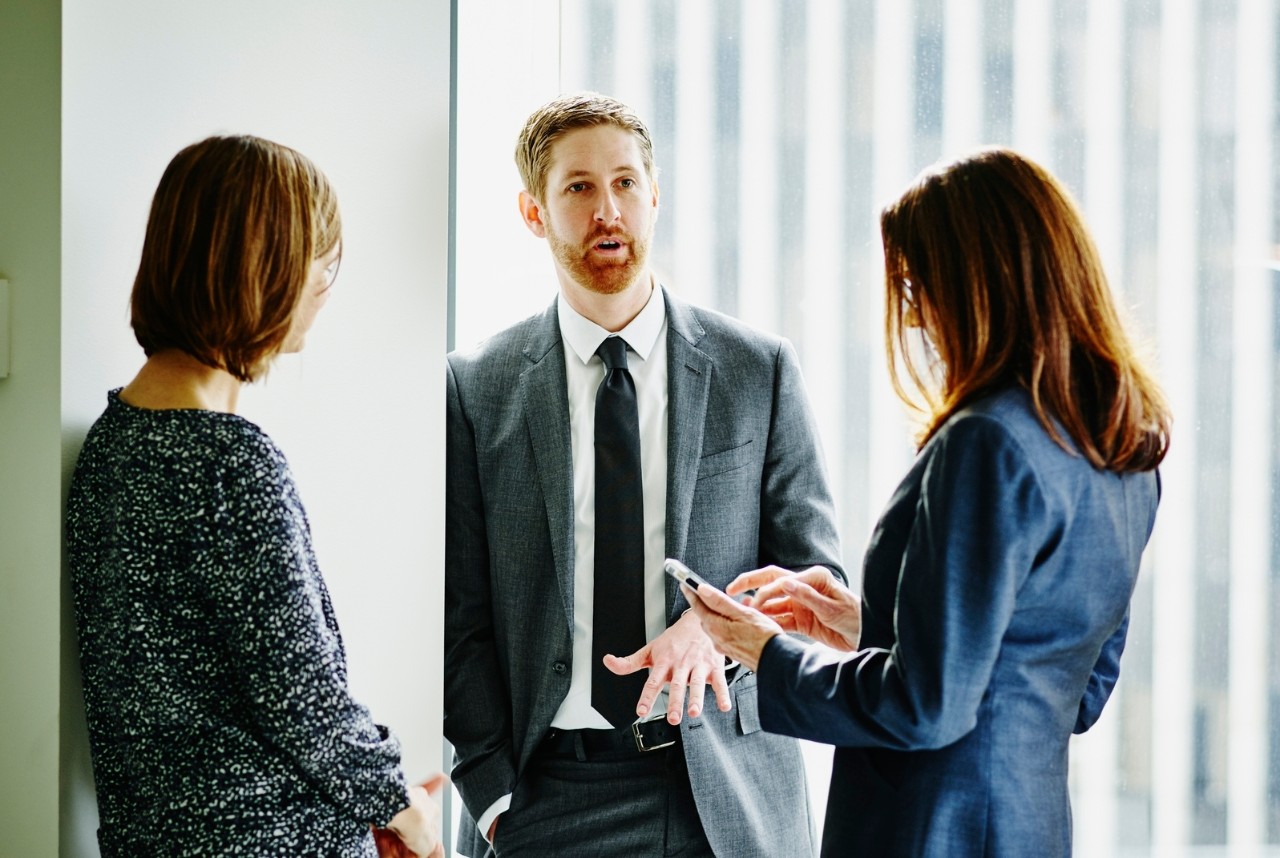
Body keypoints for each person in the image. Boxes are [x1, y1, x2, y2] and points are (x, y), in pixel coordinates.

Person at [685, 146, 1171, 858]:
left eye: (919, 287)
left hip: (927, 828)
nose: (915, 319)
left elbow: (928, 708)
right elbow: (1072, 688)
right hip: (1028, 829)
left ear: (981, 283)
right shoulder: (1125, 452)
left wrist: (768, 652)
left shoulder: (986, 443)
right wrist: (864, 626)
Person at [445, 92, 844, 857]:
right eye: (579, 188)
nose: (608, 211)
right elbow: (460, 621)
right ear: (534, 212)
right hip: (548, 800)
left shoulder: (757, 370)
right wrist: (495, 799)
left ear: (655, 196)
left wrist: (716, 626)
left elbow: (815, 576)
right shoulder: (477, 387)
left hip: (727, 799)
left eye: (626, 183)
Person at [67, 134, 445, 858]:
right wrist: (402, 809)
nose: (324, 290)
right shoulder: (229, 464)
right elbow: (304, 701)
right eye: (320, 264)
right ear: (264, 268)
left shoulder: (113, 443)